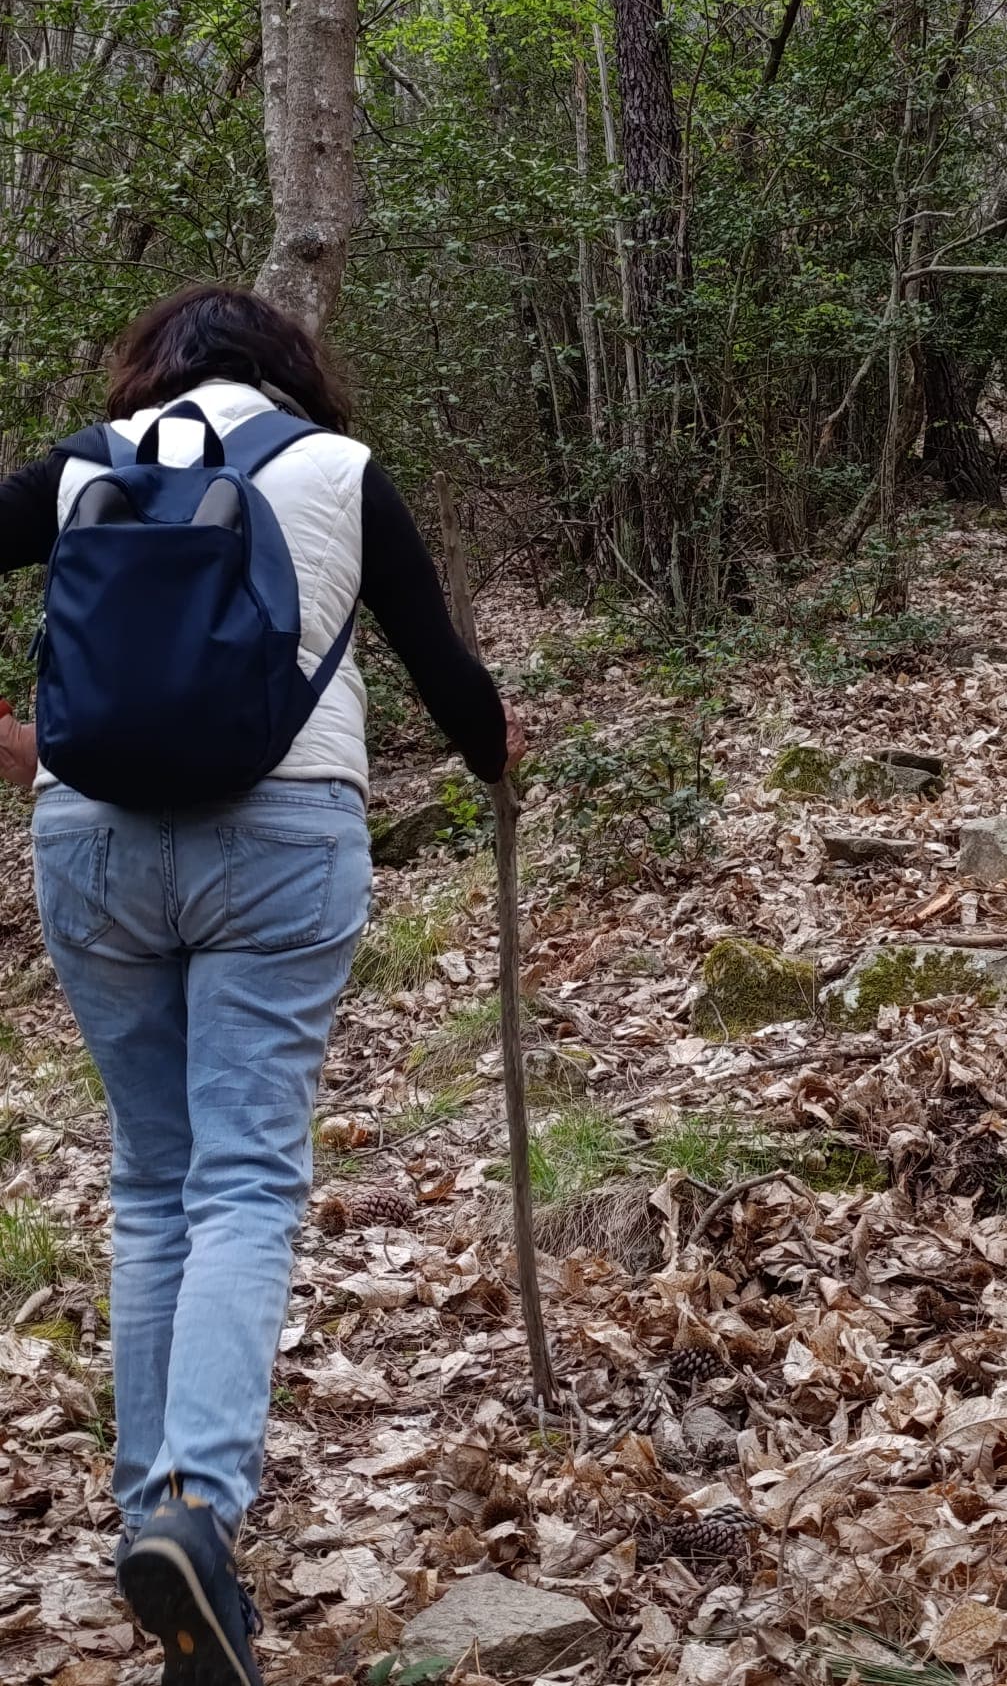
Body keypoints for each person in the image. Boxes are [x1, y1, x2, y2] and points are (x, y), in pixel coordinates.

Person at [0, 288, 522, 1686]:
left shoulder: (85, 464)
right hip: (282, 837)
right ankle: (195, 1510)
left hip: (87, 841)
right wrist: (498, 756)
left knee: (151, 1182)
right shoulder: (337, 471)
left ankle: (157, 1531)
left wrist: (18, 737)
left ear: (154, 368)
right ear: (292, 372)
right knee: (241, 1180)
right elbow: (448, 682)